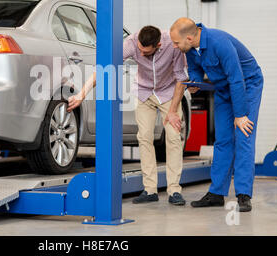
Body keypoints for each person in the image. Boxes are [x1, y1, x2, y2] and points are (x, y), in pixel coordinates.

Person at [67, 26, 189, 205]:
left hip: (168, 94)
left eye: (145, 52)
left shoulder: (173, 45)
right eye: (139, 50)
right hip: (144, 92)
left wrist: (172, 111)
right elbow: (104, 67)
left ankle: (174, 190)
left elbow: (181, 78)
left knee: (173, 138)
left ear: (158, 45)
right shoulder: (131, 43)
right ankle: (150, 190)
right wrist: (81, 94)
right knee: (144, 137)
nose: (140, 53)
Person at [169, 18, 263, 212]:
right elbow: (195, 69)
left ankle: (243, 195)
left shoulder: (219, 42)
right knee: (222, 139)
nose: (175, 46)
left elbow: (237, 78)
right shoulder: (191, 48)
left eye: (176, 43)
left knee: (243, 135)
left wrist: (240, 114)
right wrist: (195, 82)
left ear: (188, 37)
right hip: (223, 88)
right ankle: (217, 193)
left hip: (247, 84)